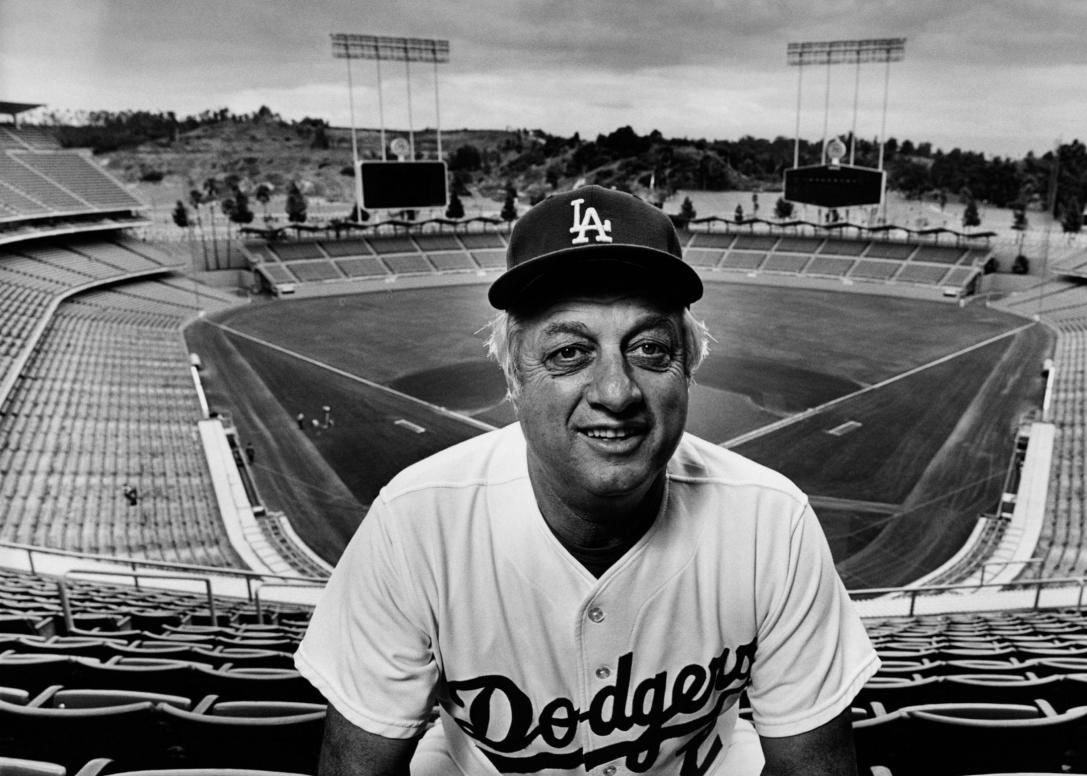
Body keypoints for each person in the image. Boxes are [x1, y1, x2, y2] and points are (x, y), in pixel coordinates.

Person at [294, 185, 879, 776]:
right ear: (514, 378)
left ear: (689, 370)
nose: (616, 392)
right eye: (570, 352)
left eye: (650, 348)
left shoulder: (773, 521)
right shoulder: (413, 522)